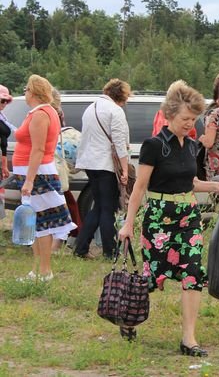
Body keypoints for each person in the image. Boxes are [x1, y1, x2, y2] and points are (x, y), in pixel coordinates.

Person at [118, 80, 219, 354]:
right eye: (184, 119)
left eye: (193, 119)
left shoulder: (191, 146)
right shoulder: (153, 145)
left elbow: (189, 182)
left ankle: (188, 340)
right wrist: (128, 223)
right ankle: (128, 319)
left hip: (188, 218)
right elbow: (140, 187)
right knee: (151, 277)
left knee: (193, 275)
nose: (189, 124)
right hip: (158, 219)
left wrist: (215, 185)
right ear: (169, 115)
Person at [13, 75, 76, 282]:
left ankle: (44, 270)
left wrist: (30, 180)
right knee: (37, 223)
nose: (24, 92)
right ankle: (39, 270)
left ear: (33, 91)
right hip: (35, 172)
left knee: (42, 224)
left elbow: (38, 149)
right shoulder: (42, 112)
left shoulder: (41, 114)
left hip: (38, 174)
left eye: (26, 89)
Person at [74, 79, 132, 260]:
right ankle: (110, 250)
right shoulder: (115, 111)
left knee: (99, 207)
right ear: (121, 95)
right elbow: (120, 144)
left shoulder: (90, 108)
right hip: (106, 165)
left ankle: (81, 247)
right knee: (108, 209)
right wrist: (124, 170)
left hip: (90, 163)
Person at [49, 88, 83, 250]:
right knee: (65, 206)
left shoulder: (46, 112)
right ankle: (64, 240)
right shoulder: (54, 113)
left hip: (52, 163)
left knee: (61, 206)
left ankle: (57, 242)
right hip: (56, 165)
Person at [0, 84, 16, 220]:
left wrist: (4, 164)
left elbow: (3, 145)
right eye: (1, 100)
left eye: (6, 101)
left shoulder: (2, 117)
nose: (4, 104)